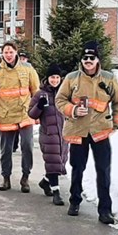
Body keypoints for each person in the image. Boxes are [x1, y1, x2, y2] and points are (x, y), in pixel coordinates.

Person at [55, 41, 118, 224]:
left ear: (97, 60)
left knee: (103, 171)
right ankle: (75, 201)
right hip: (78, 130)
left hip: (100, 131)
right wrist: (72, 110)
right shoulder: (71, 78)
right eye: (85, 58)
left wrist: (117, 122)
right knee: (78, 168)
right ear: (81, 60)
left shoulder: (109, 79)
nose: (88, 61)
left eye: (92, 58)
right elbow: (60, 100)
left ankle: (105, 210)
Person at [0, 41, 40, 193]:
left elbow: (36, 91)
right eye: (6, 52)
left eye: (11, 52)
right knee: (6, 149)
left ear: (16, 52)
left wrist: (38, 111)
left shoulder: (27, 69)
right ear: (2, 54)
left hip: (25, 114)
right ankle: (6, 178)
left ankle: (25, 177)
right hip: (6, 115)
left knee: (27, 146)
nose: (8, 55)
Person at [28, 63, 68, 206]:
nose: (55, 80)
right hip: (48, 135)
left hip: (63, 136)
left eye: (57, 77)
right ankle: (56, 193)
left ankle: (45, 182)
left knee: (60, 163)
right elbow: (31, 114)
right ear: (47, 78)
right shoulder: (40, 94)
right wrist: (39, 105)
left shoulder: (64, 94)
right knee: (53, 164)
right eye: (52, 77)